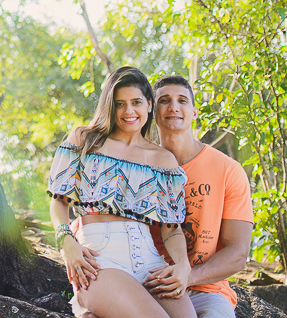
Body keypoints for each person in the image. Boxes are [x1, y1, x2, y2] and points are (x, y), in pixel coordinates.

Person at [48, 66, 196, 318]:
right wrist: (66, 242)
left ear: (149, 105)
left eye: (136, 102)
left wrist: (183, 265)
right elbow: (58, 201)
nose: (129, 111)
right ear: (109, 106)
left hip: (149, 261)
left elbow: (171, 229)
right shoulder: (85, 140)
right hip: (100, 257)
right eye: (119, 104)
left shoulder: (163, 160)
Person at [142, 75, 254, 318]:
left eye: (182, 100)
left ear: (194, 112)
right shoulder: (138, 166)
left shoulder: (228, 170)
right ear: (151, 111)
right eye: (164, 100)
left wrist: (188, 276)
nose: (174, 107)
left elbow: (238, 252)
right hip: (146, 284)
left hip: (206, 291)